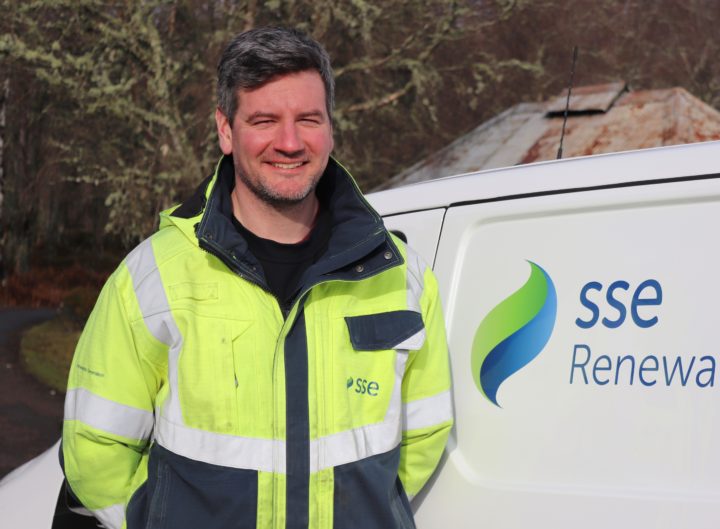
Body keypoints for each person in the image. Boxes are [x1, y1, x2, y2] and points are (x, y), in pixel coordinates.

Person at [60, 27, 453, 529]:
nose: (289, 143)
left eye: (308, 120)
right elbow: (95, 448)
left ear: (330, 128)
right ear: (226, 130)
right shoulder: (152, 276)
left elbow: (424, 436)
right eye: (264, 120)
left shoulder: (402, 274)